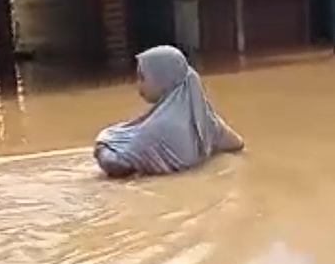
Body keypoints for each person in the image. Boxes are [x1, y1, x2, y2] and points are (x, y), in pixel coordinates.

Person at [94, 45, 244, 178]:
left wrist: (102, 144)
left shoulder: (155, 129)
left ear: (162, 79)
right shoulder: (204, 118)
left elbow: (117, 165)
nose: (138, 85)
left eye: (142, 77)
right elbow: (237, 144)